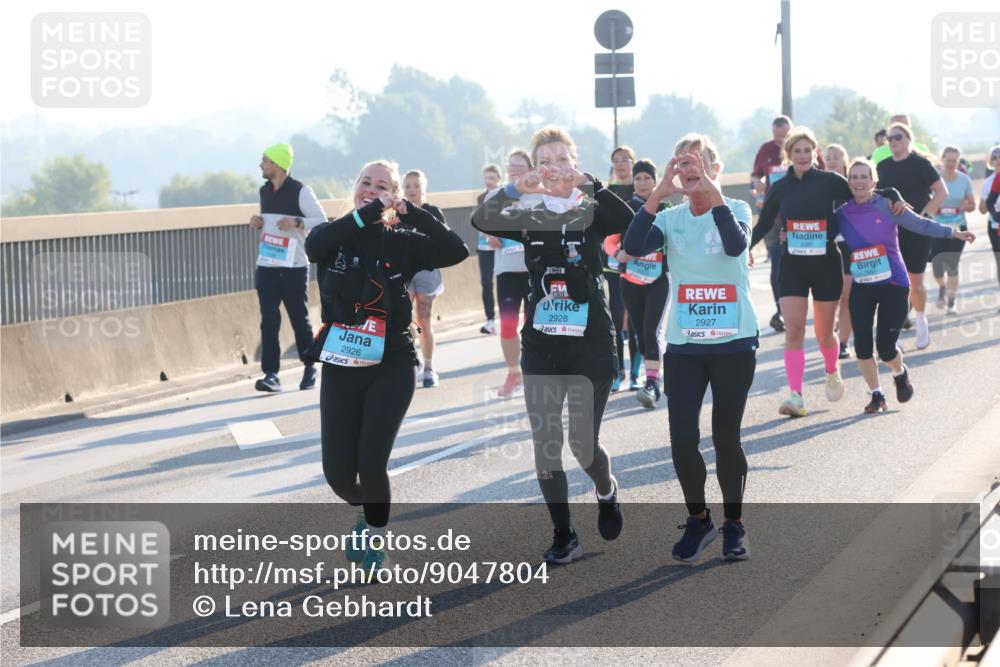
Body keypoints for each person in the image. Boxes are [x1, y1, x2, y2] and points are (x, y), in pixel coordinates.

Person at [472, 126, 630, 565]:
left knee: (582, 445)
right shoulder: (529, 213)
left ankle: (606, 488)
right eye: (546, 161)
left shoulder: (592, 207)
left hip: (591, 342)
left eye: (563, 159)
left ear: (575, 162)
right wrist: (512, 188)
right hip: (542, 342)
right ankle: (564, 534)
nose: (555, 167)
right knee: (546, 441)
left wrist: (590, 184)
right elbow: (481, 220)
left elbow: (629, 225)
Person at [305, 159, 468, 576]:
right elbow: (313, 247)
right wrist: (361, 215)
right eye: (365, 183)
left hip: (392, 359)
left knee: (371, 460)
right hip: (343, 361)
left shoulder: (403, 238)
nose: (371, 190)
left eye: (382, 186)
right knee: (339, 473)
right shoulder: (335, 233)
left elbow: (455, 251)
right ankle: (368, 511)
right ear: (354, 187)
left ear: (393, 193)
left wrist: (412, 212)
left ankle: (377, 541)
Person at [624, 134, 757, 562]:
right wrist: (658, 195)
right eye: (682, 164)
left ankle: (735, 524)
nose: (689, 170)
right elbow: (633, 247)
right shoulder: (670, 218)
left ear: (714, 170)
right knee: (682, 437)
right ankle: (700, 519)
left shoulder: (736, 208)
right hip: (684, 344)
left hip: (734, 341)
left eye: (698, 163)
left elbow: (736, 246)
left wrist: (714, 197)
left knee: (725, 436)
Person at [750, 127, 905, 418]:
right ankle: (796, 395)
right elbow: (763, 223)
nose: (803, 155)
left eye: (808, 150)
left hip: (825, 267)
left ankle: (832, 369)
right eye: (797, 151)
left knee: (823, 335)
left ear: (815, 154)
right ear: (789, 155)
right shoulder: (780, 186)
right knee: (794, 329)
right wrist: (745, 247)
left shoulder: (831, 181)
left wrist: (892, 192)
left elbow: (864, 192)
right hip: (792, 266)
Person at [836, 158, 974, 413]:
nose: (858, 181)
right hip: (863, 285)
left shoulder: (888, 205)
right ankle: (877, 394)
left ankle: (899, 372)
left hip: (893, 284)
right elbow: (822, 233)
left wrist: (953, 233)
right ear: (848, 181)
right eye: (854, 177)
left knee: (886, 348)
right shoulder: (842, 213)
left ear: (874, 181)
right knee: (863, 346)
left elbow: (921, 224)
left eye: (864, 176)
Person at [250, 142, 327, 393]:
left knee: (299, 319)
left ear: (277, 163)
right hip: (267, 265)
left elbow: (321, 220)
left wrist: (296, 221)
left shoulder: (301, 191)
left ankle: (310, 364)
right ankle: (271, 374)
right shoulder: (264, 191)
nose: (261, 165)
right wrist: (258, 221)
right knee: (269, 320)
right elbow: (270, 224)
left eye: (265, 160)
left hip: (294, 267)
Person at [603, 159, 670, 408]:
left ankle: (652, 384)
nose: (642, 183)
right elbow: (609, 241)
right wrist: (618, 253)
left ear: (655, 180)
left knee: (652, 331)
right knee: (639, 334)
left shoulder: (667, 208)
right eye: (638, 178)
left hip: (659, 277)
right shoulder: (626, 207)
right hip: (630, 280)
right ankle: (651, 372)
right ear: (633, 181)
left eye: (647, 178)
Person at [876, 122, 947, 349]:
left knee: (915, 283)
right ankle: (894, 329)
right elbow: (875, 194)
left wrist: (925, 214)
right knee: (894, 282)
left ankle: (920, 320)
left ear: (909, 139)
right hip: (890, 231)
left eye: (899, 137)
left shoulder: (920, 163)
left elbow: (941, 191)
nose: (895, 142)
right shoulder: (883, 166)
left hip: (916, 230)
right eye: (891, 139)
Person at [491, 149, 533, 398]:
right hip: (506, 270)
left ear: (530, 169)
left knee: (532, 327)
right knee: (507, 325)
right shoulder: (498, 195)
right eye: (511, 166)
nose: (515, 169)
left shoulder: (539, 195)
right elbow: (484, 226)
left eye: (520, 165)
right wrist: (491, 235)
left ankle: (531, 372)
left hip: (532, 270)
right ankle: (513, 372)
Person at [402, 169, 447, 387]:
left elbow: (446, 240)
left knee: (423, 319)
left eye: (416, 185)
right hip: (404, 272)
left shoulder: (433, 211)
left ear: (424, 188)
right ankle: (413, 357)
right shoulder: (397, 212)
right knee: (403, 318)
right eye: (408, 185)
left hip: (427, 271)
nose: (412, 190)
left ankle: (429, 367)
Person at [751, 116, 793, 333]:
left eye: (785, 137)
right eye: (778, 137)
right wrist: (757, 183)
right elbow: (755, 176)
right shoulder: (766, 150)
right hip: (773, 217)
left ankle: (798, 307)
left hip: (798, 217)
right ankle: (781, 311)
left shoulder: (801, 148)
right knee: (777, 261)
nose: (781, 142)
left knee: (796, 264)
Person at [606, 145, 641, 390]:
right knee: (616, 320)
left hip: (640, 266)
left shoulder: (641, 190)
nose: (621, 164)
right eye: (616, 160)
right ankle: (619, 372)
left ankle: (636, 374)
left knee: (637, 321)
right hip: (612, 263)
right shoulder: (606, 192)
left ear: (633, 162)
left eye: (625, 159)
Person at [929, 147, 976, 315]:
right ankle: (942, 285)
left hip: (959, 227)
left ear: (958, 161)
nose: (951, 164)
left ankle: (951, 301)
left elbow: (972, 204)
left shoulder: (964, 180)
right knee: (937, 266)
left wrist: (966, 206)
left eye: (954, 161)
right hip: (937, 228)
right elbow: (926, 202)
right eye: (948, 160)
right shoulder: (934, 178)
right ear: (942, 159)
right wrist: (933, 208)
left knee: (952, 265)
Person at [824, 143, 854, 360]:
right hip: (824, 247)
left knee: (846, 296)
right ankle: (830, 334)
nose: (833, 160)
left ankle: (842, 342)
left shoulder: (854, 185)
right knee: (830, 298)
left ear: (845, 159)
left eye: (837, 156)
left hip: (850, 246)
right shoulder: (818, 186)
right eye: (829, 157)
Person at [475, 164, 502, 335]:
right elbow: (479, 220)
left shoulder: (504, 195)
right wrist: (488, 235)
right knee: (486, 282)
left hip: (502, 246)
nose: (489, 181)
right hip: (484, 246)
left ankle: (507, 316)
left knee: (503, 283)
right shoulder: (481, 197)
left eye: (492, 178)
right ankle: (490, 320)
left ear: (499, 179)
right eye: (486, 177)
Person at [980, 146, 1000, 307]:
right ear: (990, 161)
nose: (998, 160)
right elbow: (984, 206)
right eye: (994, 157)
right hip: (995, 225)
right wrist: (994, 213)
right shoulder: (989, 181)